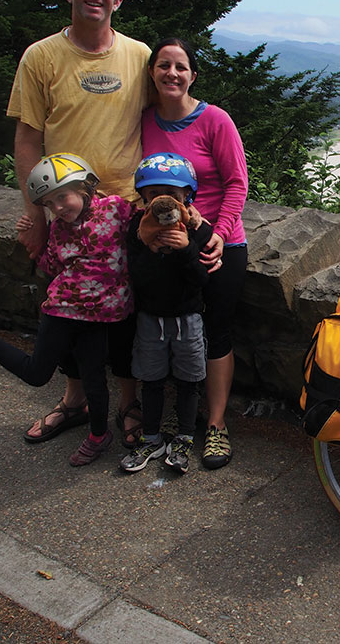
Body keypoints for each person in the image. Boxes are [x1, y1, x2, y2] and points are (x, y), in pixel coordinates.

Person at [7, 0, 151, 447]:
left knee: (126, 314)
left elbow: (165, 119)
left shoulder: (139, 55)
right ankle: (75, 401)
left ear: (118, 0)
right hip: (65, 213)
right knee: (66, 309)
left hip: (126, 210)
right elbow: (27, 138)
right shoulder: (41, 56)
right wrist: (37, 212)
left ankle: (128, 402)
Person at [0, 154, 134, 466]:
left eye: (63, 196)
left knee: (94, 380)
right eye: (50, 203)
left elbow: (147, 222)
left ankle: (99, 436)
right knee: (37, 374)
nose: (59, 207)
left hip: (98, 316)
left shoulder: (115, 208)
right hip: (60, 311)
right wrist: (28, 238)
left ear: (85, 187)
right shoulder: (59, 228)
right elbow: (52, 265)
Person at [141, 38, 248, 470]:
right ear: (152, 73)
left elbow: (237, 182)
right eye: (163, 65)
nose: (172, 73)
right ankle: (171, 415)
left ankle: (217, 425)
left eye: (180, 67)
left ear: (192, 76)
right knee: (164, 322)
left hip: (218, 241)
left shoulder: (215, 120)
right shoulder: (144, 120)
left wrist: (218, 234)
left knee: (215, 331)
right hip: (164, 242)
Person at [120, 154, 213, 474]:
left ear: (187, 196)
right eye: (153, 194)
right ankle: (152, 437)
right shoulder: (137, 228)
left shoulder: (198, 229)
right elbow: (136, 276)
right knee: (152, 380)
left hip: (187, 317)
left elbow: (202, 280)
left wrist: (186, 248)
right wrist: (149, 247)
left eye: (172, 195)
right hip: (150, 318)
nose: (164, 201)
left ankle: (184, 437)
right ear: (144, 199)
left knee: (189, 381)